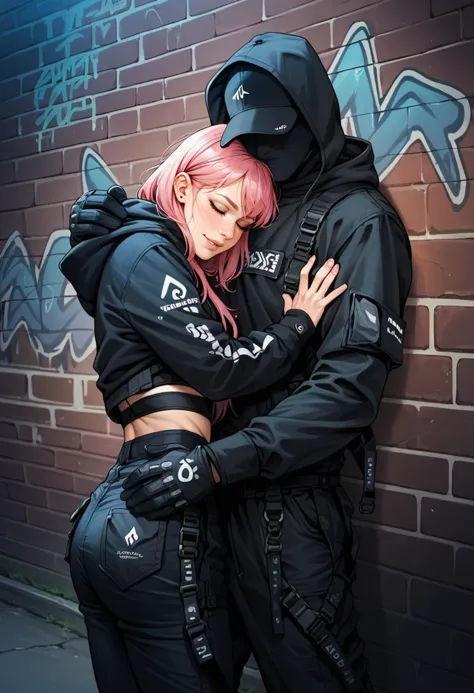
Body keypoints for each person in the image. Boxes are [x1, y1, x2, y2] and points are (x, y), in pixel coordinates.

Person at [68, 32, 412, 693]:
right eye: (243, 131)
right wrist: (124, 229)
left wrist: (227, 460)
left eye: (273, 135)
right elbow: (168, 312)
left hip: (283, 515)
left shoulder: (358, 221)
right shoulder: (251, 198)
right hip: (198, 510)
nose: (257, 151)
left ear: (310, 118)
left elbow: (347, 389)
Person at [59, 123, 347, 693]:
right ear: (184, 187)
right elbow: (224, 367)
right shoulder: (146, 252)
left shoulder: (150, 252)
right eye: (219, 207)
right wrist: (299, 323)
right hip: (155, 518)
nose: (225, 233)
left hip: (124, 510)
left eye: (241, 224)